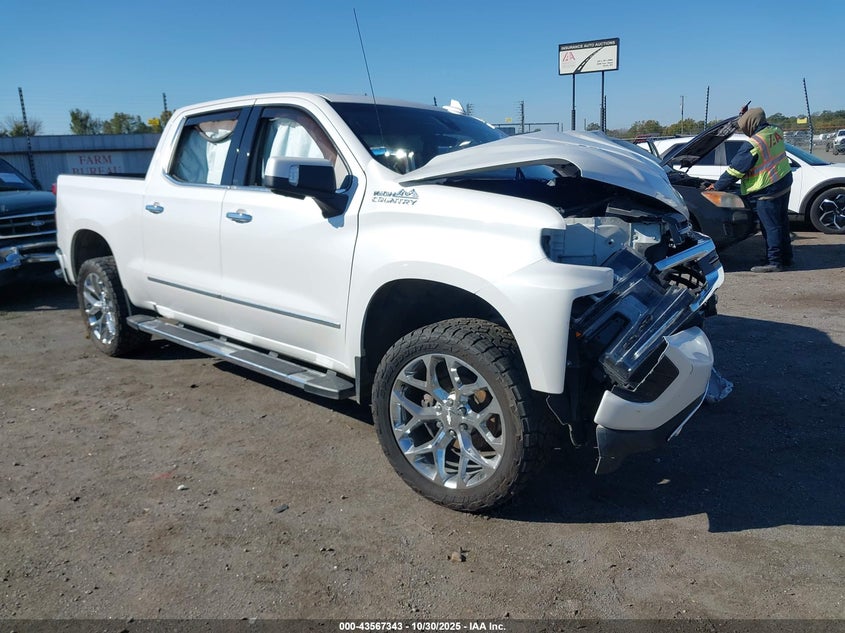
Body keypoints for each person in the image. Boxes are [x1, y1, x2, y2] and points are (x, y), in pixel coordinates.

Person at [707, 107, 793, 272]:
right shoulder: (776, 131)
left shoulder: (753, 144)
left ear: (751, 124)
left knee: (771, 227)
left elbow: (735, 171)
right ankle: (786, 258)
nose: (743, 129)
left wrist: (716, 187)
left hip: (767, 189)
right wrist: (744, 116)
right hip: (783, 182)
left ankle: (774, 262)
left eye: (744, 125)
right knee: (782, 223)